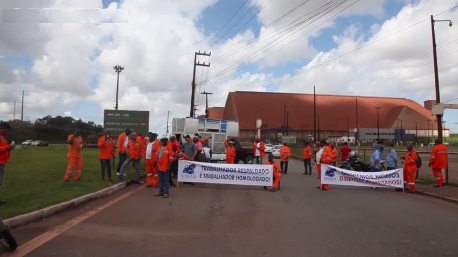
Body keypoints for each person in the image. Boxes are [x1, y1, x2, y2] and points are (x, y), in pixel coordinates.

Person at [0, 122, 15, 200]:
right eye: (6, 131)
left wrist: (9, 147)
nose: (7, 133)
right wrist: (8, 147)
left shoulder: (3, 137)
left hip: (2, 162)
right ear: (1, 128)